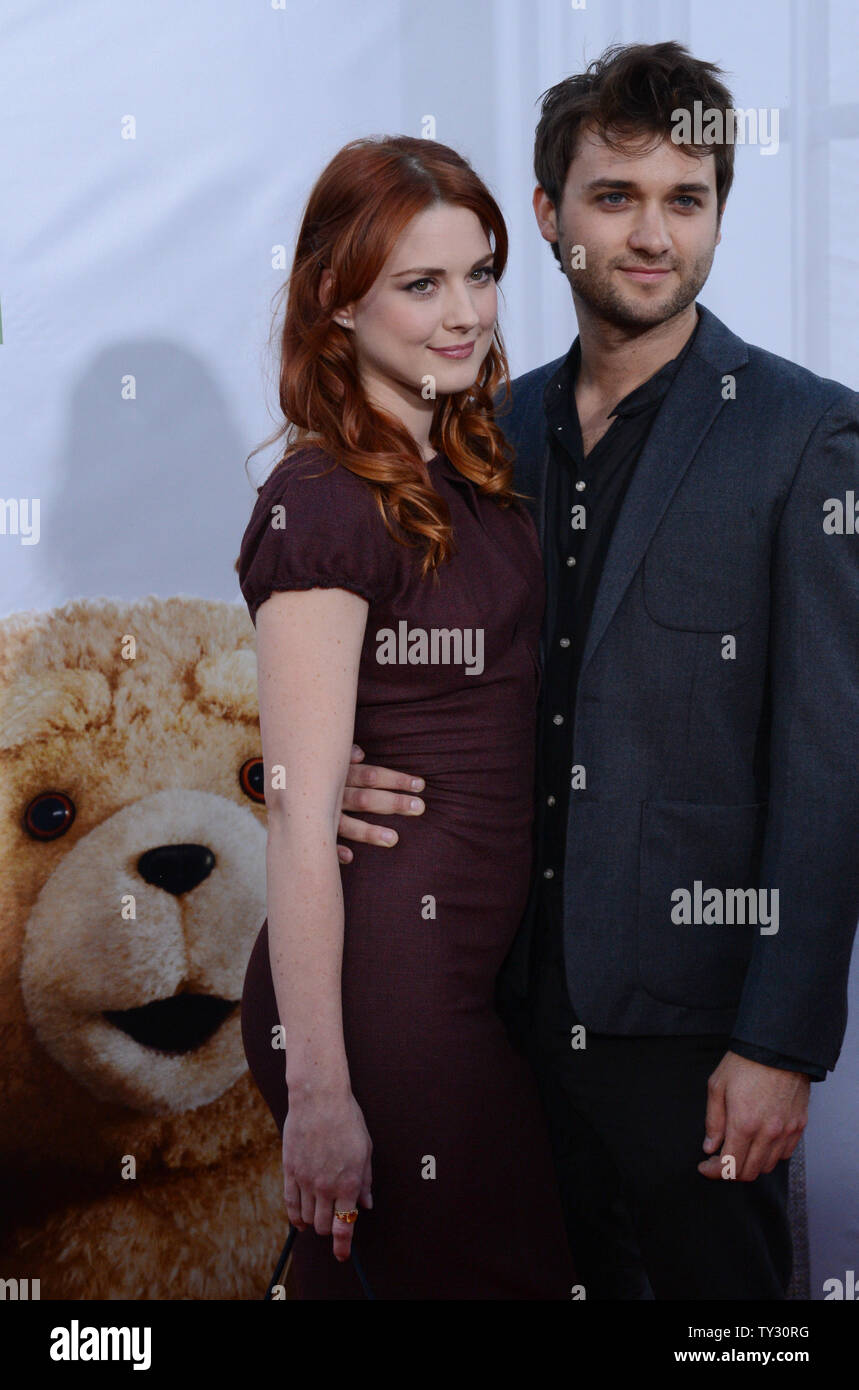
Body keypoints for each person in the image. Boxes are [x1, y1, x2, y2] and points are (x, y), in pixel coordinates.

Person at [335, 42, 859, 1299]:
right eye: (614, 196)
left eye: (686, 199)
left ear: (720, 214)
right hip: (489, 1008)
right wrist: (331, 771)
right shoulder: (480, 435)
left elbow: (829, 762)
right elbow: (421, 676)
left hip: (689, 1035)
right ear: (545, 217)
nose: (649, 234)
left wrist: (779, 1043)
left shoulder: (806, 437)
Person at [236, 135, 577, 1299]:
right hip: (386, 989)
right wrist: (321, 1090)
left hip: (464, 972)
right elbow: (295, 817)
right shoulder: (322, 500)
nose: (463, 313)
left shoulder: (471, 468)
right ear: (335, 301)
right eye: (419, 285)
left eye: (479, 274)